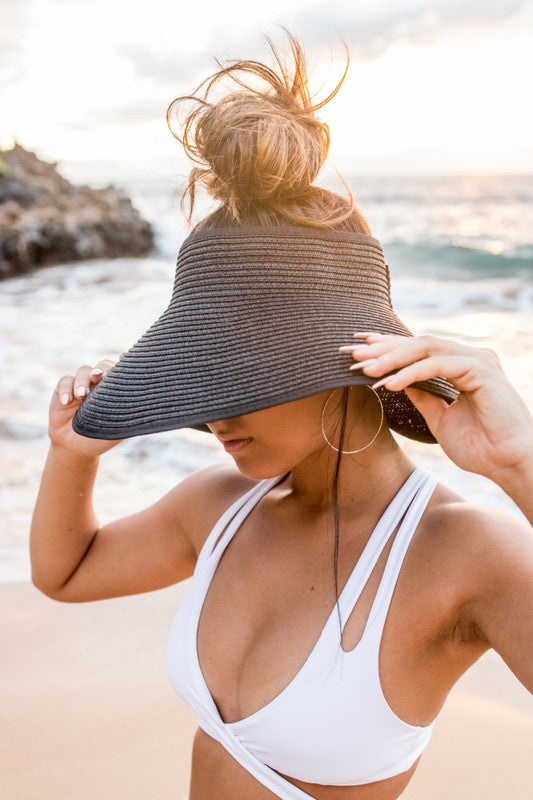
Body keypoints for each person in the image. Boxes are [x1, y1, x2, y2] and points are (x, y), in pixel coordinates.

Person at [30, 29, 532, 800]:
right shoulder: (219, 507)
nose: (211, 408)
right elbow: (65, 574)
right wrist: (75, 454)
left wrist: (518, 465)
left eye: (237, 373)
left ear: (339, 365)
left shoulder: (465, 554)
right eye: (201, 372)